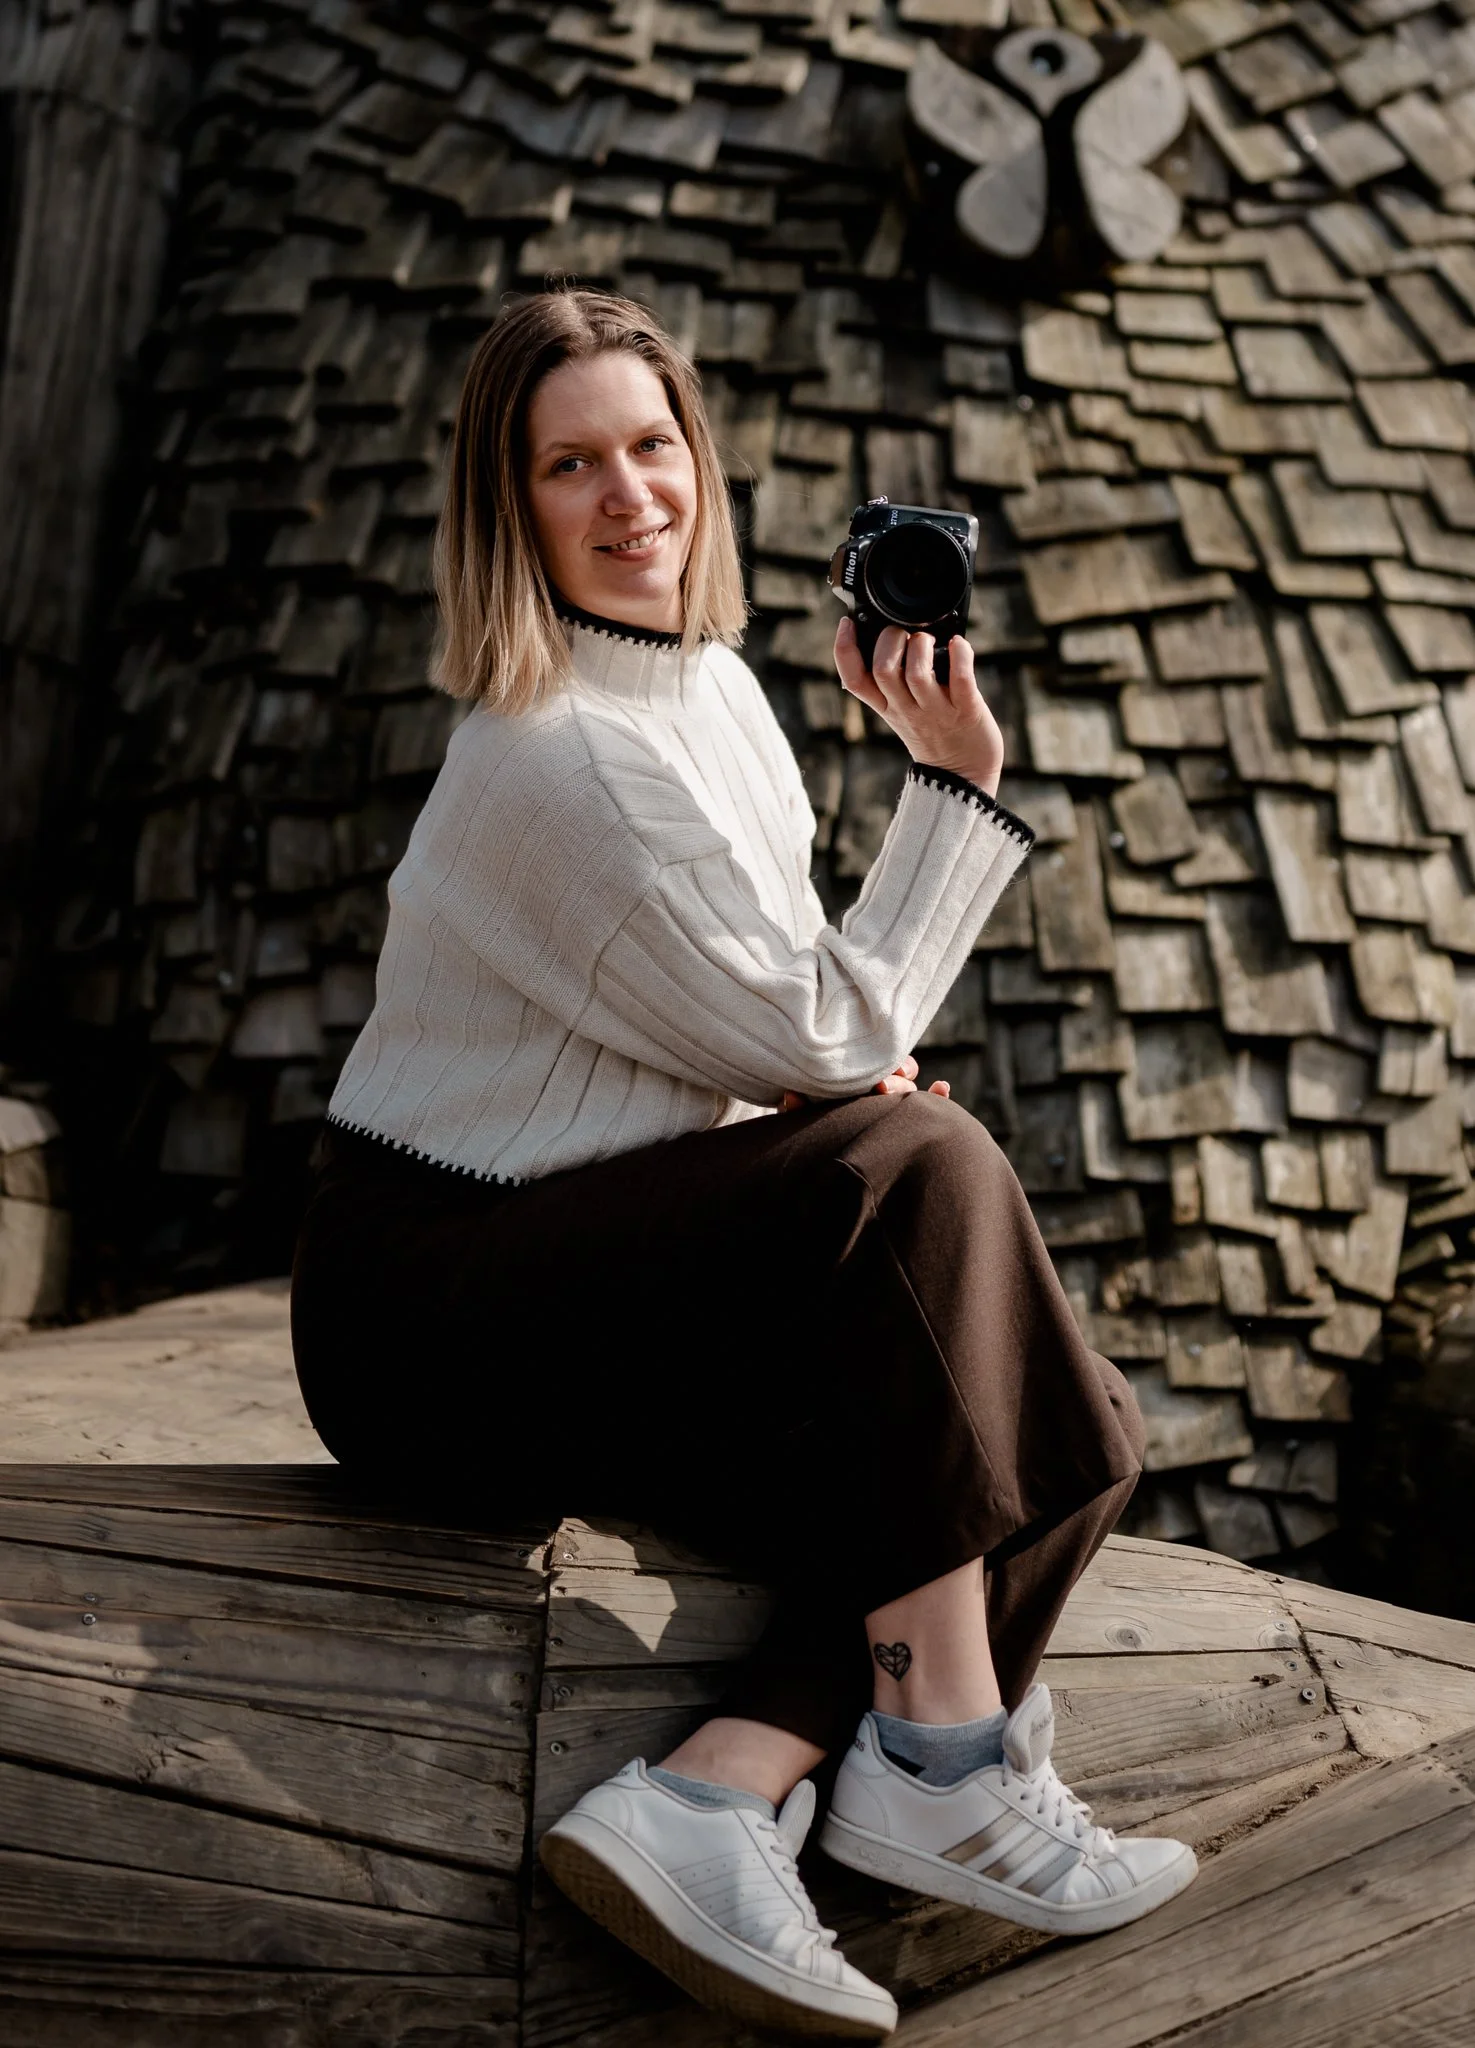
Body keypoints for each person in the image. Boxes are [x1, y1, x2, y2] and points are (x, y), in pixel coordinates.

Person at [289, 286, 1195, 2042]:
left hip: (594, 1243)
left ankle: (718, 1788)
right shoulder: (553, 755)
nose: (630, 494)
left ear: (699, 462)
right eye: (570, 465)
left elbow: (775, 1027)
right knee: (921, 1173)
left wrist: (835, 1075)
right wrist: (955, 782)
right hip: (433, 1301)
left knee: (1065, 1429)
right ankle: (937, 1755)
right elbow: (813, 1036)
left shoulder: (706, 692)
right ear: (510, 506)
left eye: (652, 444)